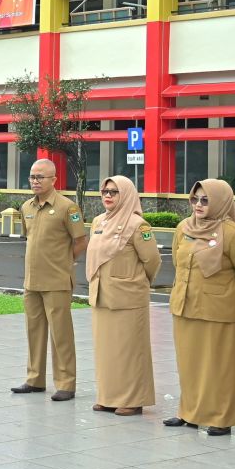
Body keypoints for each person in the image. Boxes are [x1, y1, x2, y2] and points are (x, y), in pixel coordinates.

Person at [166, 179, 235, 435]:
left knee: (220, 365)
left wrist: (219, 291)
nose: (199, 205)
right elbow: (177, 261)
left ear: (221, 202)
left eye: (206, 200)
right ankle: (190, 413)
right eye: (195, 199)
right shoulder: (183, 227)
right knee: (189, 362)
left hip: (220, 310)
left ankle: (221, 417)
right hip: (185, 305)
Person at [12, 159, 88, 401]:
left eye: (40, 177)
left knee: (61, 334)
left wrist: (66, 262)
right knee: (34, 331)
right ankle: (35, 379)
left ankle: (66, 383)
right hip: (31, 281)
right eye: (32, 176)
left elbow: (80, 241)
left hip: (56, 281)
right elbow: (30, 239)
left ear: (54, 179)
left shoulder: (68, 208)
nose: (35, 181)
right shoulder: (26, 207)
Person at [86, 176, 161, 416]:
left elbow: (152, 261)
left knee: (129, 350)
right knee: (107, 349)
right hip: (102, 294)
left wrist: (134, 281)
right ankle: (108, 397)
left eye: (114, 192)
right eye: (105, 191)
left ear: (126, 194)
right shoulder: (99, 221)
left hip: (128, 298)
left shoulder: (138, 225)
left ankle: (132, 399)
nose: (107, 196)